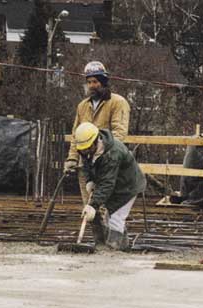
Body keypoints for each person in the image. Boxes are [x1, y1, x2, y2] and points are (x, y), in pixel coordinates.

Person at [64, 61, 130, 205]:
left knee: (107, 207)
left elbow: (119, 133)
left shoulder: (117, 103)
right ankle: (95, 228)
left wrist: (104, 156)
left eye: (95, 81)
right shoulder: (82, 106)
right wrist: (72, 158)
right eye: (89, 82)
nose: (92, 85)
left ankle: (111, 228)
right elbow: (76, 135)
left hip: (106, 165)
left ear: (103, 82)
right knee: (89, 209)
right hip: (85, 166)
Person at [74, 122, 146, 251]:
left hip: (128, 186)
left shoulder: (112, 154)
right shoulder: (87, 150)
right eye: (82, 150)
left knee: (116, 217)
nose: (85, 152)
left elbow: (107, 183)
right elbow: (87, 165)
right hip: (115, 184)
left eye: (87, 149)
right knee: (109, 215)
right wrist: (90, 180)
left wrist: (93, 205)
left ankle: (114, 249)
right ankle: (122, 248)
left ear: (96, 141)